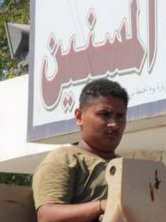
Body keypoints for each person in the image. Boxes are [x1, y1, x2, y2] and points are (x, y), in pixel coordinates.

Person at [32, 78, 128, 222]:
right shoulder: (65, 158)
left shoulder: (128, 168)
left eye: (120, 117)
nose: (114, 124)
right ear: (79, 116)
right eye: (105, 114)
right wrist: (102, 206)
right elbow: (47, 216)